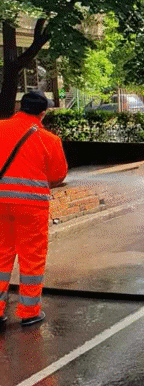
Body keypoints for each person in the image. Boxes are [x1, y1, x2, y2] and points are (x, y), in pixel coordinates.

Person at [0, 91, 67, 327]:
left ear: (20, 106)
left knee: (0, 256)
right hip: (31, 207)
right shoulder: (50, 140)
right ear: (43, 113)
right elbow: (58, 176)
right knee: (32, 259)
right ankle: (29, 313)